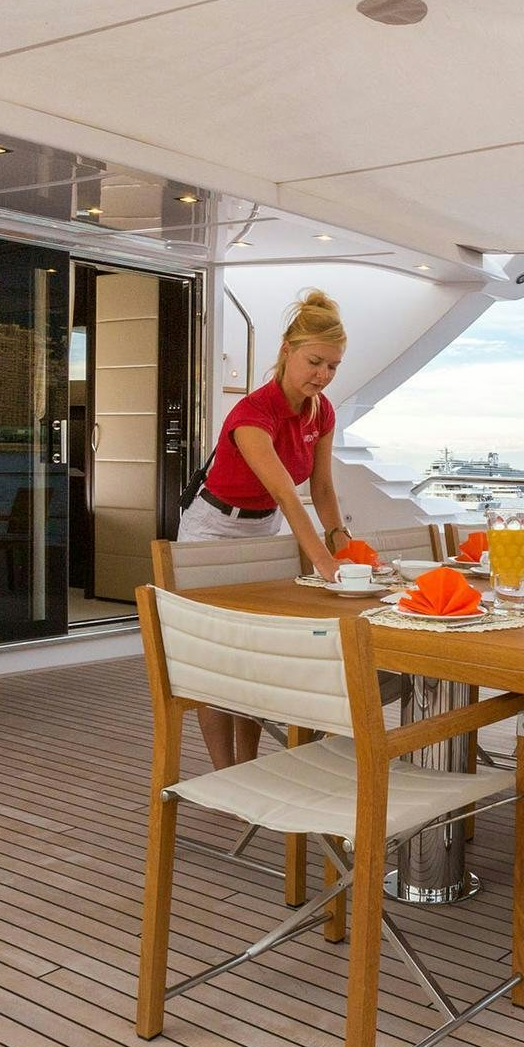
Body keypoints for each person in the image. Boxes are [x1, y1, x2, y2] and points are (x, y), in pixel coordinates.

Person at [178, 288, 352, 767]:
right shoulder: (251, 414)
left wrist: (344, 545)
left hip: (262, 529)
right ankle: (223, 772)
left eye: (333, 366)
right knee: (216, 658)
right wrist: (322, 562)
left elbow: (322, 488)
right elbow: (285, 493)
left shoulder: (323, 411)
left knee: (252, 654)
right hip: (213, 529)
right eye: (316, 362)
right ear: (286, 351)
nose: (324, 375)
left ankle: (252, 766)